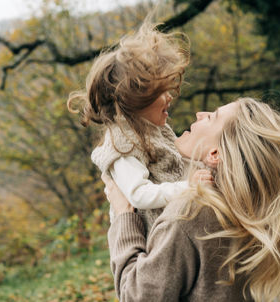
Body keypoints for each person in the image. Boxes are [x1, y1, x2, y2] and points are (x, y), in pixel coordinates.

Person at [103, 97, 280, 301]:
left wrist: (124, 218)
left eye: (211, 117)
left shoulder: (189, 215)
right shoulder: (248, 206)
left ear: (215, 154)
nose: (199, 114)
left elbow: (138, 296)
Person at [67, 22, 212, 231]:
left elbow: (175, 163)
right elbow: (139, 195)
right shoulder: (122, 143)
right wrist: (190, 187)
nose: (170, 97)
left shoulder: (151, 127)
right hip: (151, 239)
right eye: (161, 93)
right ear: (135, 100)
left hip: (176, 225)